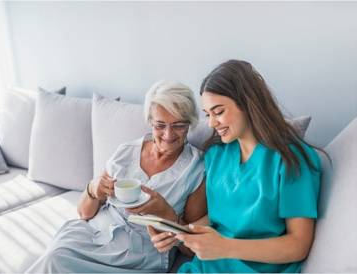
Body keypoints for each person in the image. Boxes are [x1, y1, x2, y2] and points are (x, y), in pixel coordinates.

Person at [149, 60, 324, 273]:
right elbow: (216, 218)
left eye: (219, 111)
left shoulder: (290, 159)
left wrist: (225, 247)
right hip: (206, 268)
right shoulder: (216, 155)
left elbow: (298, 245)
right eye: (208, 114)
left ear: (248, 104)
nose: (212, 123)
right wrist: (179, 234)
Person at [25, 80, 207, 273]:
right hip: (94, 234)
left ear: (190, 123)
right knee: (56, 255)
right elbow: (84, 213)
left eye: (178, 125)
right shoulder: (126, 152)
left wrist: (165, 213)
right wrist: (93, 189)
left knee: (58, 262)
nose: (168, 135)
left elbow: (190, 249)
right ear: (150, 122)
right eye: (160, 125)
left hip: (138, 254)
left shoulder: (196, 169)